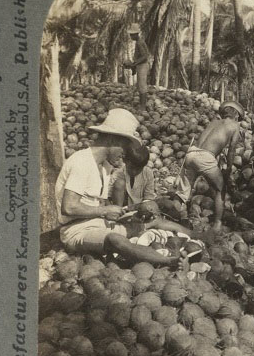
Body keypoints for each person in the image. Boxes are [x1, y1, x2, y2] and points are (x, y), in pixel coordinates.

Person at [54, 107, 178, 268]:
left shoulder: (104, 167)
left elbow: (97, 208)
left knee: (150, 223)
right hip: (75, 231)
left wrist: (123, 213)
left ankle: (198, 236)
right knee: (115, 239)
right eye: (125, 148)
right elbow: (69, 207)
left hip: (97, 223)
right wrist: (104, 211)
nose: (125, 155)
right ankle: (169, 261)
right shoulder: (81, 162)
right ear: (113, 140)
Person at [176, 100, 244, 230]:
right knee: (220, 189)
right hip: (205, 157)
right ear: (236, 115)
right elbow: (232, 150)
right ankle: (217, 224)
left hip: (191, 153)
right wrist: (228, 168)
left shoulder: (214, 122)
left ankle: (171, 215)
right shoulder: (235, 125)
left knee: (182, 192)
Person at [110, 139, 158, 210]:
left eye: (139, 169)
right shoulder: (117, 174)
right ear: (125, 161)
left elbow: (148, 197)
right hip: (120, 208)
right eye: (131, 168)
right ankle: (118, 213)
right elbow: (106, 197)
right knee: (119, 183)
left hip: (139, 209)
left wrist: (144, 207)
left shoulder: (148, 173)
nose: (134, 172)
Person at [124, 24, 152, 109]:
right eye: (130, 34)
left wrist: (134, 64)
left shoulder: (140, 42)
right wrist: (133, 67)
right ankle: (141, 104)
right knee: (140, 85)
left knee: (142, 85)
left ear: (136, 34)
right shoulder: (139, 42)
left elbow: (145, 56)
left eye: (132, 34)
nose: (130, 36)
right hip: (141, 65)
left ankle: (143, 106)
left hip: (143, 65)